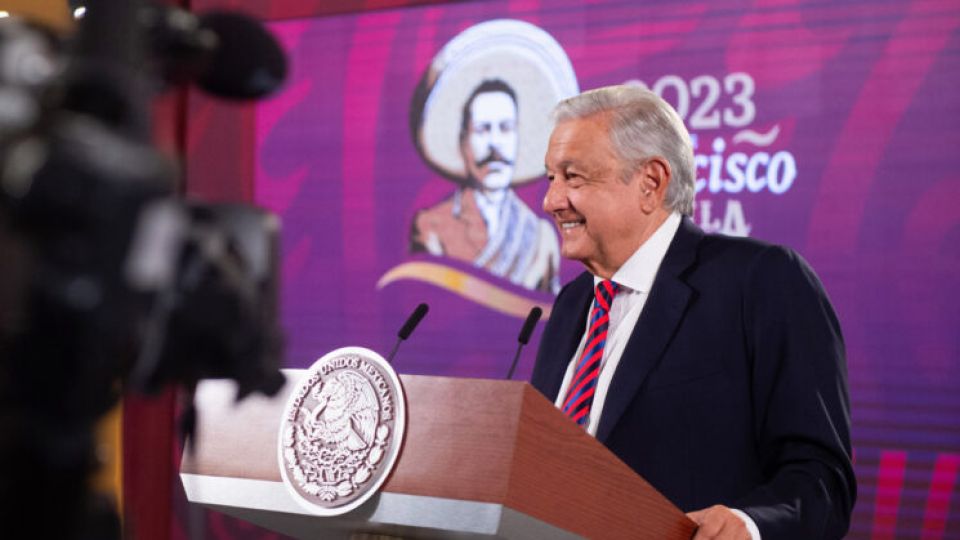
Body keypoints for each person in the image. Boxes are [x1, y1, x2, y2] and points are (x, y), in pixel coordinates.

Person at [531, 85, 855, 539]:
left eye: (574, 177)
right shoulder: (570, 305)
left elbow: (821, 480)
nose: (551, 201)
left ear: (651, 183)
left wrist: (749, 523)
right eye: (550, 178)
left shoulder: (761, 281)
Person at [410, 79, 560, 293]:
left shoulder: (540, 236)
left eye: (506, 128)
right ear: (463, 141)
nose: (495, 143)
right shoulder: (432, 227)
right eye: (483, 130)